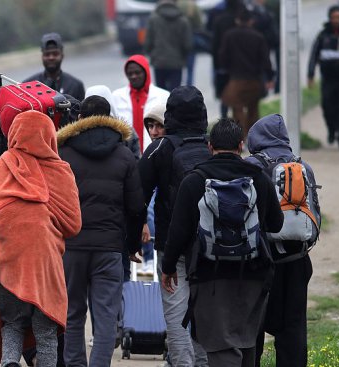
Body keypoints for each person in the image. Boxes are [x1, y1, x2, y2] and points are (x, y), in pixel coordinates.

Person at [161, 118, 284, 366]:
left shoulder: (194, 181)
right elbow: (277, 223)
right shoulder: (259, 179)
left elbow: (178, 231)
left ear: (209, 146)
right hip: (252, 274)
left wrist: (168, 267)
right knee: (246, 341)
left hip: (209, 277)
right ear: (241, 145)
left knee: (219, 345)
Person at [0, 110, 81, 367]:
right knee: (45, 331)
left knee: (12, 323)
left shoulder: (2, 165)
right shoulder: (60, 169)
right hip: (45, 266)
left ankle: (10, 362)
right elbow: (73, 224)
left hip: (8, 263)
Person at [56, 96, 146, 366]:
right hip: (109, 248)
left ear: (80, 117)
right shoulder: (125, 154)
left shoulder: (64, 153)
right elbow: (136, 207)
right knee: (106, 315)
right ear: (110, 117)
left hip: (71, 247)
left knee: (72, 313)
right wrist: (130, 247)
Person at [137, 86, 209, 366]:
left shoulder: (160, 148)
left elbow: (137, 198)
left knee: (177, 316)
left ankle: (182, 363)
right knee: (203, 312)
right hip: (210, 246)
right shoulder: (212, 145)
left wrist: (132, 241)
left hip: (171, 247)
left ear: (171, 114)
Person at [246, 114, 319, 367]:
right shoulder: (303, 166)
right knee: (294, 328)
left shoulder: (251, 166)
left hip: (260, 260)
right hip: (298, 259)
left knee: (251, 327)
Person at [219, 9, 274, 139]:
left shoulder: (229, 35)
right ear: (251, 21)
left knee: (237, 109)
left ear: (237, 20)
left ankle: (239, 137)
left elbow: (222, 57)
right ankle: (253, 138)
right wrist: (270, 77)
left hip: (236, 79)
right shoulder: (258, 37)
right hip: (254, 79)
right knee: (253, 109)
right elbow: (266, 60)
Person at [308, 4, 339, 150]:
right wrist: (310, 74)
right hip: (328, 78)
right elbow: (313, 55)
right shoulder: (323, 35)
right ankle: (331, 130)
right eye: (333, 17)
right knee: (327, 106)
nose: (336, 20)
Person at [112, 55, 170, 154]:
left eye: (137, 73)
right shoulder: (116, 96)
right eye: (130, 73)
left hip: (156, 152)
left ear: (146, 72)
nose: (133, 76)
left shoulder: (164, 95)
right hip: (128, 154)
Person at [137, 102, 166, 277]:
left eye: (160, 126)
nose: (153, 132)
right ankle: (148, 257)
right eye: (150, 126)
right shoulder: (150, 152)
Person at [144, 0, 193, 92]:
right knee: (175, 92)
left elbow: (148, 42)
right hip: (176, 63)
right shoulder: (183, 20)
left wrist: (152, 54)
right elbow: (187, 45)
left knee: (161, 93)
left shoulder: (153, 19)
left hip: (159, 62)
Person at [24, 32, 86, 101]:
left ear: (62, 55)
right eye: (47, 54)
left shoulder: (76, 85)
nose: (51, 57)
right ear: (42, 56)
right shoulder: (27, 85)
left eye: (55, 54)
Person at [211, 0, 245, 118]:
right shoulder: (241, 22)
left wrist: (216, 66)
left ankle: (224, 121)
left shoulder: (219, 20)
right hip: (240, 64)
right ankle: (238, 125)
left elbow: (215, 46)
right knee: (238, 97)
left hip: (223, 64)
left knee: (224, 96)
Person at [177, 0, 204, 86]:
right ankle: (189, 89)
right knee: (190, 69)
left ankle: (177, 88)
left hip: (177, 39)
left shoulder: (176, 4)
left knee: (177, 67)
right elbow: (200, 24)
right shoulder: (193, 6)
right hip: (191, 38)